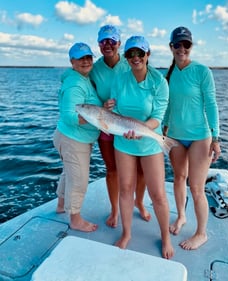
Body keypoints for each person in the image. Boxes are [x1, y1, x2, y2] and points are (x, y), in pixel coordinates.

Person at [110, 35, 174, 259]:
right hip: (123, 141)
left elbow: (158, 116)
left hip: (150, 141)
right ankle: (127, 233)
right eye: (130, 54)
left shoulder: (159, 82)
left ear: (148, 55)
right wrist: (111, 110)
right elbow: (114, 109)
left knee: (158, 195)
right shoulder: (120, 78)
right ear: (126, 57)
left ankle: (165, 237)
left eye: (140, 53)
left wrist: (142, 129)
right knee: (125, 188)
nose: (135, 58)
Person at [163, 26, 221, 250]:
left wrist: (216, 137)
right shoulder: (168, 74)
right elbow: (167, 106)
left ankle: (201, 233)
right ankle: (180, 216)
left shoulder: (202, 71)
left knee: (196, 187)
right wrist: (164, 129)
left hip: (200, 137)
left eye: (186, 44)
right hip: (175, 136)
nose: (182, 49)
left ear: (191, 46)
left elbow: (211, 105)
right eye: (177, 45)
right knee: (179, 178)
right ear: (171, 47)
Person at [90, 25, 150, 228]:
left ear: (119, 44)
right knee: (112, 170)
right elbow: (84, 92)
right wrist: (102, 106)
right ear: (99, 44)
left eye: (112, 41)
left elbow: (148, 87)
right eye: (103, 41)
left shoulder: (130, 63)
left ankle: (139, 203)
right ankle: (115, 210)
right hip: (107, 124)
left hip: (131, 125)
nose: (108, 45)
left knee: (141, 170)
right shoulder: (94, 68)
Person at [54, 42, 102, 232]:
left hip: (69, 136)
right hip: (73, 140)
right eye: (80, 58)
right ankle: (75, 219)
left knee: (68, 173)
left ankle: (60, 205)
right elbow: (69, 116)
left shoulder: (83, 77)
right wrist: (96, 119)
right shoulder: (75, 83)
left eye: (88, 57)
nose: (85, 61)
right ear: (72, 61)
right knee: (79, 179)